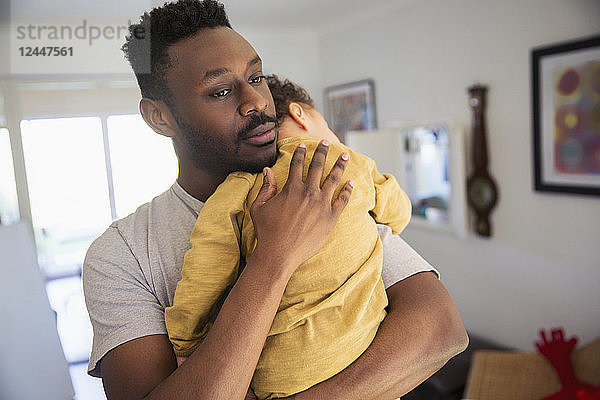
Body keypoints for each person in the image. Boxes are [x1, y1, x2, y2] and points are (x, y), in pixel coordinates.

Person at [82, 1, 469, 399]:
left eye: (257, 76)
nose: (257, 102)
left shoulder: (318, 186)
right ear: (160, 118)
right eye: (220, 91)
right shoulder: (121, 254)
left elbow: (442, 332)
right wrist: (276, 255)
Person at [165, 74, 412, 399]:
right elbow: (399, 214)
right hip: (365, 349)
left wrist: (186, 341)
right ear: (300, 114)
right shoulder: (352, 163)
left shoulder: (238, 187)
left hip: (283, 375)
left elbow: (205, 271)